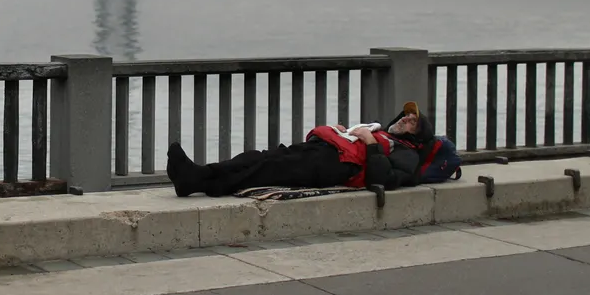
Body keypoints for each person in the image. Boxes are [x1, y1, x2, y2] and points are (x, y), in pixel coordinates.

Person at [166, 101, 436, 198]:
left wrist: (370, 142)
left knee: (266, 169)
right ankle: (197, 175)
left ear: (418, 137)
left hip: (337, 165)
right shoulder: (379, 131)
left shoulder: (407, 153)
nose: (404, 119)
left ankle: (196, 181)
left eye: (412, 122)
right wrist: (345, 132)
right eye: (405, 115)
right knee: (259, 157)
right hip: (323, 149)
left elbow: (384, 179)